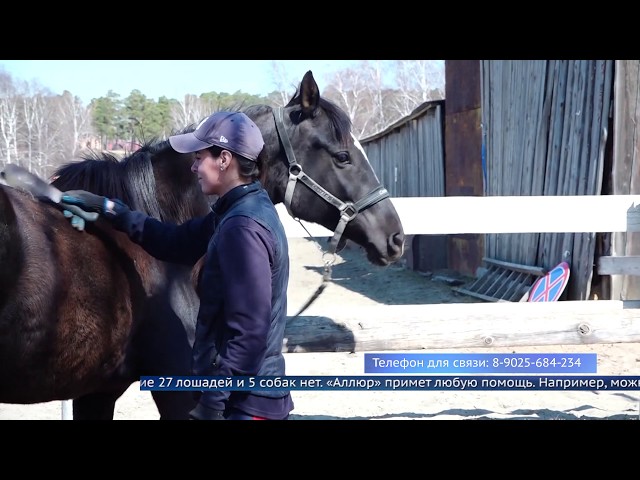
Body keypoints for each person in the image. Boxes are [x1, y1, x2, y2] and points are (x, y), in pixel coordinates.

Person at [60, 111, 294, 420]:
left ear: (224, 159)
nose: (194, 167)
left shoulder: (243, 228)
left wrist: (211, 407)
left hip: (244, 405)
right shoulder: (237, 211)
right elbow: (173, 241)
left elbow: (249, 336)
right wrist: (111, 209)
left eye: (199, 158)